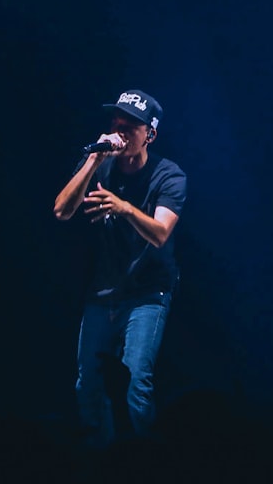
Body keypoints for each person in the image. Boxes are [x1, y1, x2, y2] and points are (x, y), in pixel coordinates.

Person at [53, 89, 187, 447]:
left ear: (150, 134)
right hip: (103, 291)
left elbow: (160, 233)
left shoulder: (168, 176)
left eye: (131, 126)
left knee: (134, 383)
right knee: (88, 382)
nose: (120, 131)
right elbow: (62, 211)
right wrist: (93, 162)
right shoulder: (103, 166)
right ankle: (98, 463)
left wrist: (124, 208)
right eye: (116, 123)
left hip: (147, 293)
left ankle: (141, 463)